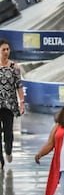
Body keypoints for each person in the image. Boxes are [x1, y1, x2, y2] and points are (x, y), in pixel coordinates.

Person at [0, 39, 24, 169]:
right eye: (3, 49)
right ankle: (0, 160)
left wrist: (22, 102)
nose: (6, 52)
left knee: (8, 132)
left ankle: (8, 150)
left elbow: (19, 85)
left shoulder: (15, 67)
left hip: (9, 104)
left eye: (7, 49)